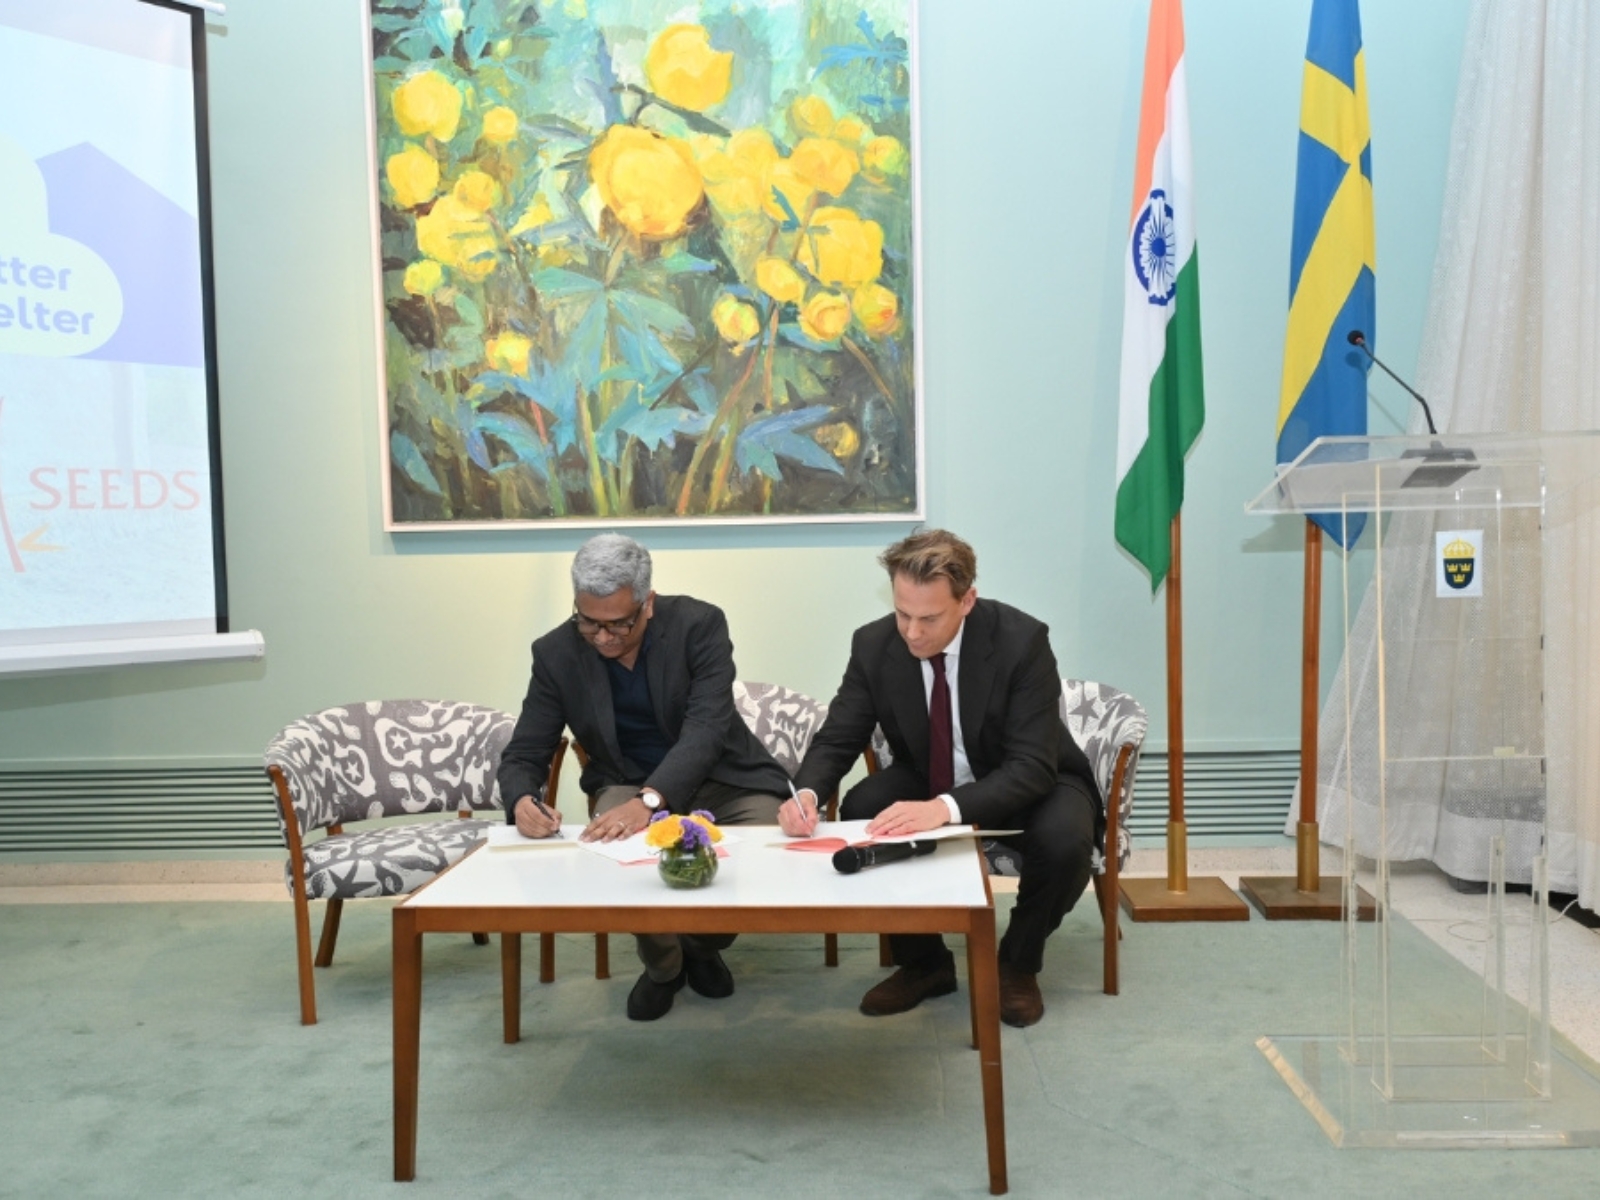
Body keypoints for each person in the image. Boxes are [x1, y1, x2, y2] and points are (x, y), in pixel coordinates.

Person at [779, 529, 1100, 1028]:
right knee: (865, 807)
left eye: (928, 618)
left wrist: (943, 809)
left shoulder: (1022, 641)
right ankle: (924, 963)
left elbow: (1033, 765)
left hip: (1027, 777)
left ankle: (1016, 963)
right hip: (930, 772)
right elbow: (839, 735)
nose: (910, 632)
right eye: (902, 613)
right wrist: (807, 793)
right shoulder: (872, 644)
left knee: (1065, 839)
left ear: (967, 600)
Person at [497, 533, 789, 1021]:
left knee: (760, 843)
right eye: (588, 623)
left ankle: (701, 944)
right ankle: (665, 968)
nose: (604, 637)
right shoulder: (555, 654)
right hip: (625, 780)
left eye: (618, 624)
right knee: (618, 841)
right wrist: (522, 800)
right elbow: (526, 750)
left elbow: (706, 730)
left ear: (647, 602)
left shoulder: (700, 624)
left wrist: (653, 801)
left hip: (724, 777)